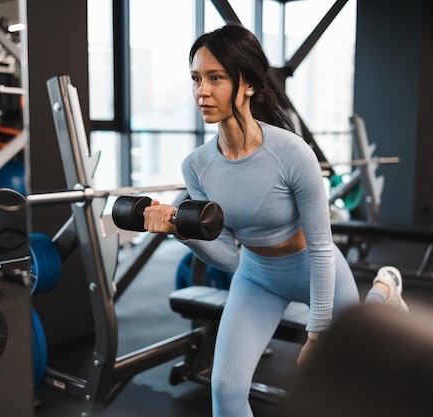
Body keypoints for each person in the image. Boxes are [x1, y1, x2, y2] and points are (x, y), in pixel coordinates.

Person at [143, 23, 409, 417]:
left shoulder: (291, 153)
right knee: (226, 391)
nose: (201, 91)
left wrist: (316, 334)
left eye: (216, 78)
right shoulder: (197, 166)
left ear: (247, 83)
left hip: (316, 269)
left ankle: (383, 291)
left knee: (349, 377)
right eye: (196, 78)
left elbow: (321, 247)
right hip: (256, 277)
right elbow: (228, 256)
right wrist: (180, 231)